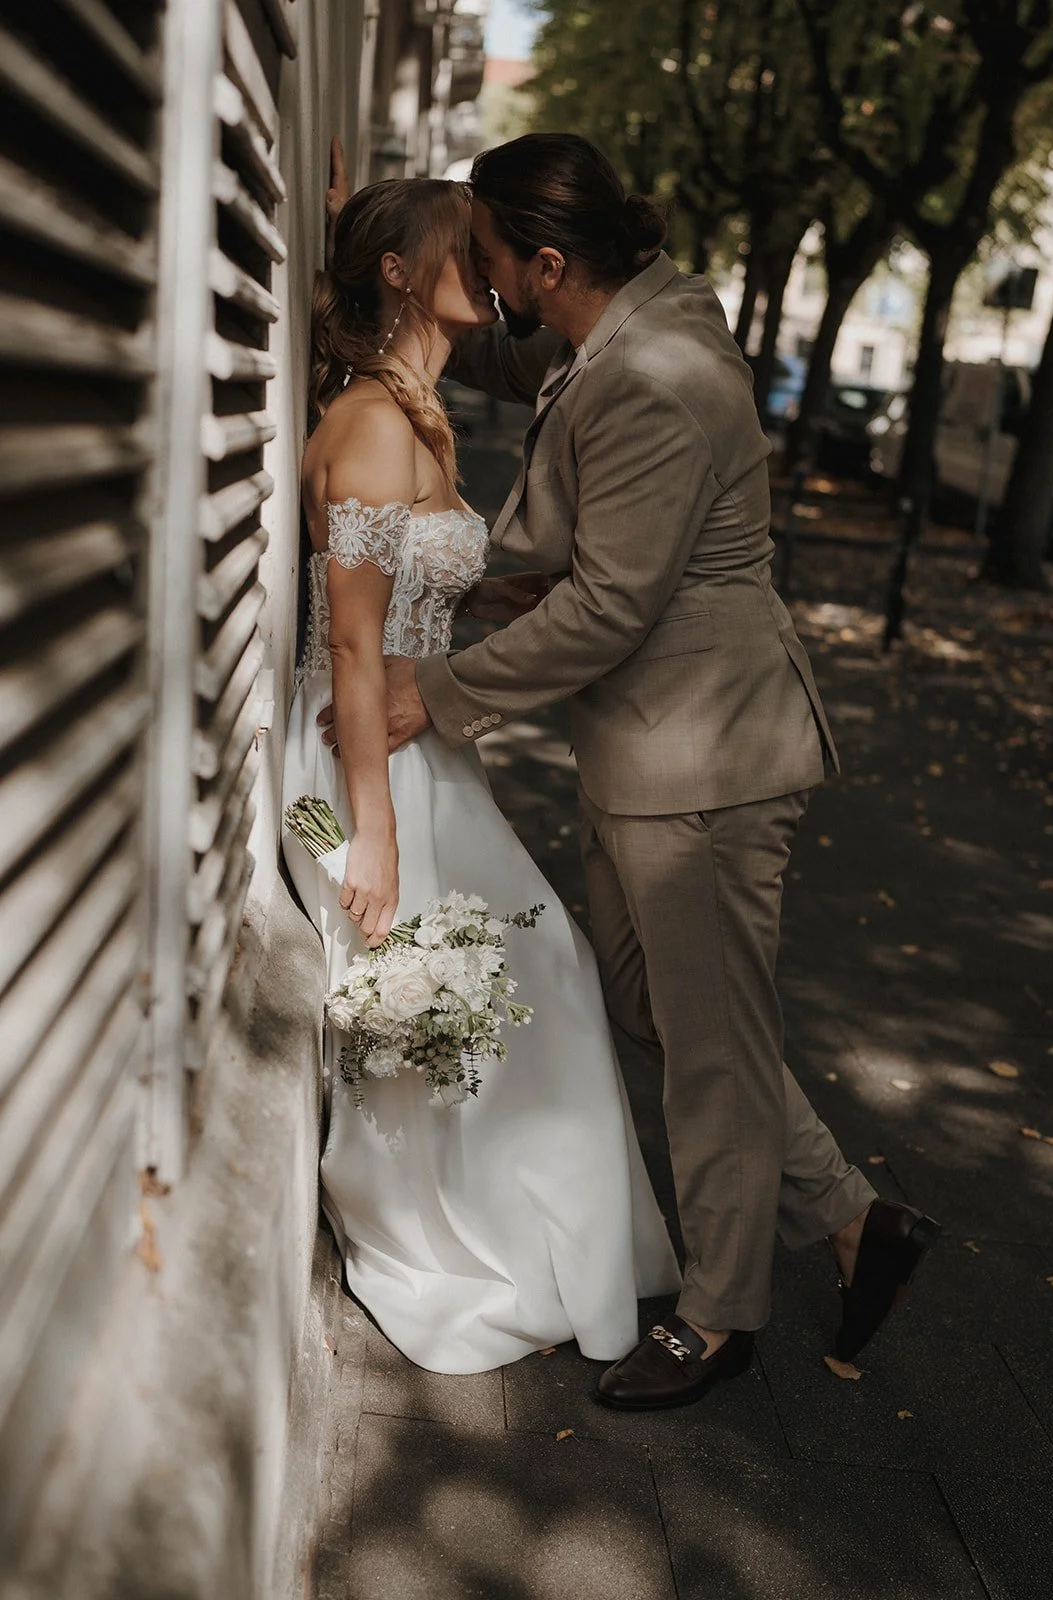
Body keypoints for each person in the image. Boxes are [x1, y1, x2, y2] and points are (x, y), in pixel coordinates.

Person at [323, 134, 940, 1410]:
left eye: (491, 258)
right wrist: (364, 277)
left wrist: (428, 693)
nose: (484, 282)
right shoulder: (621, 322)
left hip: (700, 751)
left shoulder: (652, 372)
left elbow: (610, 604)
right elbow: (538, 440)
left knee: (708, 1039)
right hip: (643, 747)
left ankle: (719, 1317)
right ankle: (849, 1217)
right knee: (656, 1007)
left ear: (549, 263)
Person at [281, 175, 680, 1376]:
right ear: (398, 272)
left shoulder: (419, 410)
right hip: (369, 758)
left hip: (417, 742)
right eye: (468, 240)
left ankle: (546, 1242)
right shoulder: (365, 422)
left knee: (534, 961)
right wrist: (375, 834)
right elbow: (351, 641)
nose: (493, 258)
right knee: (512, 962)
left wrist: (503, 594)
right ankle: (461, 1241)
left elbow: (413, 590)